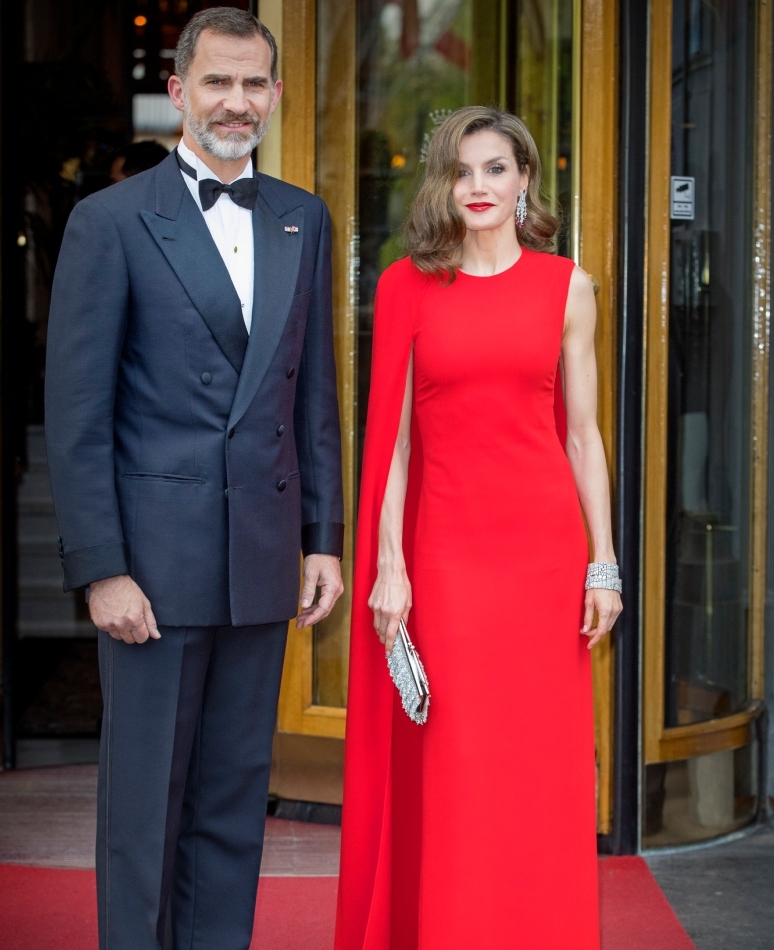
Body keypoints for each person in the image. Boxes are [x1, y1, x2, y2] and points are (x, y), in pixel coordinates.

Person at [44, 9, 344, 949]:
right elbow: (79, 413)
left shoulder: (305, 215)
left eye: (255, 83)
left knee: (228, 806)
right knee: (143, 813)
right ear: (180, 91)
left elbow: (315, 395)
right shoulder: (110, 221)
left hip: (261, 558)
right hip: (153, 571)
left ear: (276, 95)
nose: (237, 101)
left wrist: (322, 539)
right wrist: (102, 567)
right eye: (218, 81)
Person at [335, 106, 623, 949]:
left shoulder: (569, 286)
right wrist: (391, 564)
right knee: (459, 761)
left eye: (495, 169)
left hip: (542, 554)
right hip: (448, 554)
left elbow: (582, 433)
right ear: (441, 184)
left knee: (537, 765)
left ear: (526, 177)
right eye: (461, 172)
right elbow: (388, 439)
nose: (478, 187)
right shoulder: (405, 286)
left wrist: (603, 561)